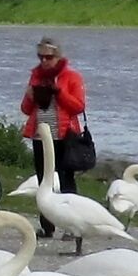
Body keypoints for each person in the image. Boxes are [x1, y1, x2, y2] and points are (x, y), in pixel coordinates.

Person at [20, 37, 95, 185]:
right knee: (43, 176)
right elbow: (26, 110)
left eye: (48, 57)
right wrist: (30, 97)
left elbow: (79, 107)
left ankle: (69, 205)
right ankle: (44, 207)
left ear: (58, 56)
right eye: (40, 57)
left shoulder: (72, 77)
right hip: (40, 134)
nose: (44, 61)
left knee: (65, 177)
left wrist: (59, 93)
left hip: (64, 135)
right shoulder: (36, 77)